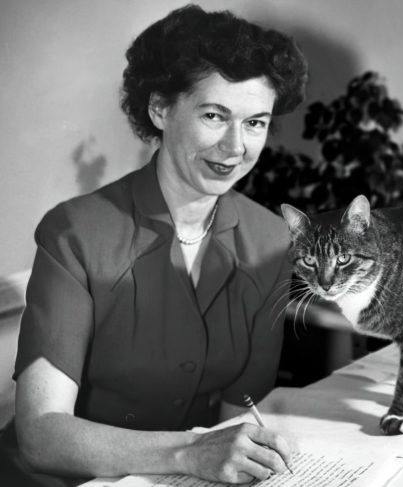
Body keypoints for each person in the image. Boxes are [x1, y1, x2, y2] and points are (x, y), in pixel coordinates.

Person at [0, 4, 308, 486]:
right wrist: (189, 451)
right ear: (160, 109)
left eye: (255, 123)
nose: (235, 147)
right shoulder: (75, 233)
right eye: (214, 115)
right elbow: (41, 436)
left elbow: (238, 414)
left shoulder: (271, 240)